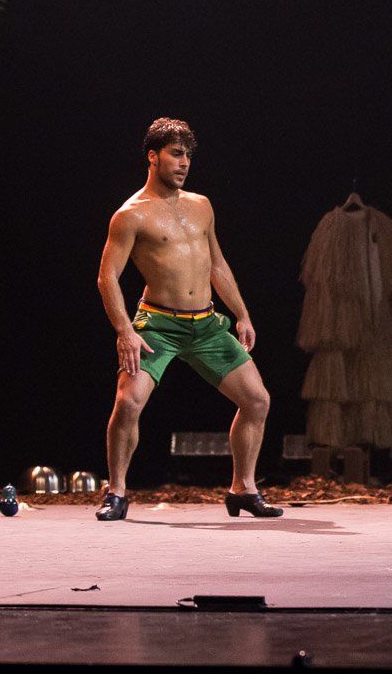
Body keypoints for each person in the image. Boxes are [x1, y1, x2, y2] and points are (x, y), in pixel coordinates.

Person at [94, 118, 282, 521]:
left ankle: (243, 489)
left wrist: (242, 313)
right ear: (153, 156)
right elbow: (107, 277)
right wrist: (124, 331)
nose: (184, 163)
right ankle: (117, 492)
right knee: (128, 402)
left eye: (188, 156)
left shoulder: (201, 205)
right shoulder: (130, 215)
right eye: (176, 154)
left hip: (206, 326)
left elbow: (217, 263)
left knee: (257, 400)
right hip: (158, 325)